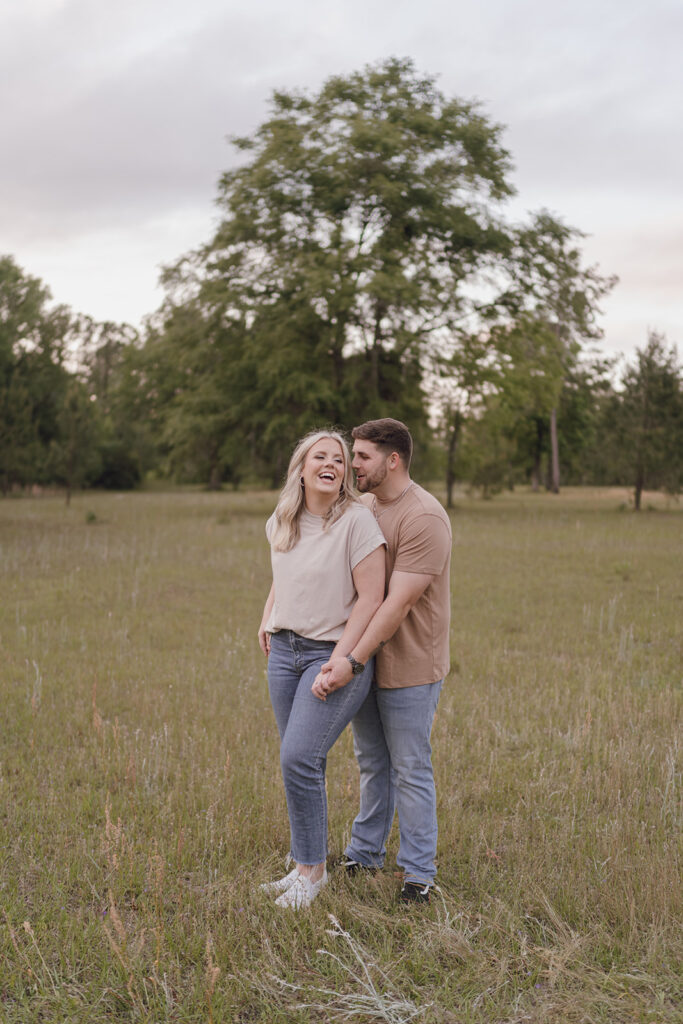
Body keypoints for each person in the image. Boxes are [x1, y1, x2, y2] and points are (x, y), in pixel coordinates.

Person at [314, 418, 451, 904]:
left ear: (393, 460)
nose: (353, 464)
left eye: (363, 456)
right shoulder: (365, 505)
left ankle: (419, 874)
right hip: (365, 660)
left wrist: (350, 658)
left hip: (410, 664)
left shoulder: (424, 517)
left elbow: (396, 604)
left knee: (411, 766)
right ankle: (365, 852)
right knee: (372, 761)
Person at [257, 430, 386, 910]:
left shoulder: (357, 521)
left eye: (338, 458)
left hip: (331, 652)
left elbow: (372, 597)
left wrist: (344, 660)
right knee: (299, 763)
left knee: (298, 758)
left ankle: (313, 874)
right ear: (302, 468)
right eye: (320, 457)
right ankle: (303, 866)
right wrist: (267, 616)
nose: (331, 463)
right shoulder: (284, 517)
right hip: (285, 653)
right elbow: (281, 573)